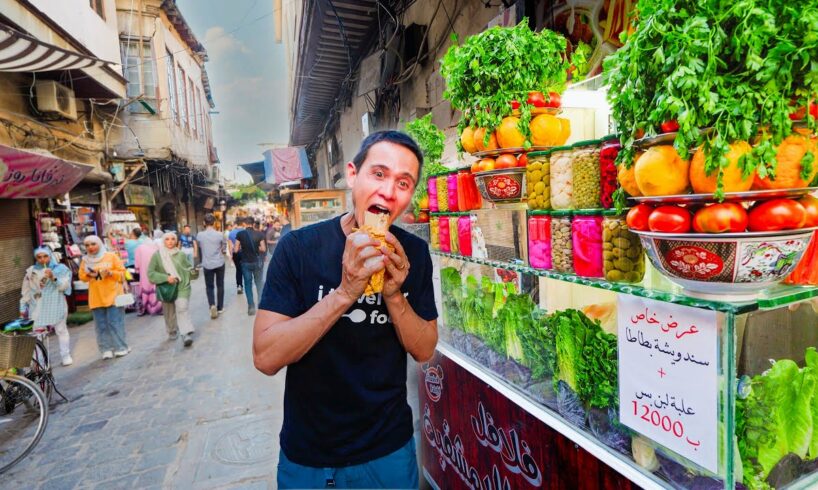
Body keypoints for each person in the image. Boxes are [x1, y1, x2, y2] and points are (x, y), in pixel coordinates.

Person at [252, 131, 438, 489]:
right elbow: (266, 357)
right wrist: (346, 292)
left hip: (388, 453)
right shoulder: (298, 249)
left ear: (410, 197)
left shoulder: (413, 254)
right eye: (379, 174)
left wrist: (395, 295)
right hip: (310, 456)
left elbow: (425, 348)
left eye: (403, 182)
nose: (388, 191)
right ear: (353, 175)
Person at [79, 235, 130, 360]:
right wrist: (90, 274)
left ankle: (120, 347)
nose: (90, 247)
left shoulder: (111, 256)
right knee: (100, 325)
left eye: (93, 244)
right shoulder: (85, 260)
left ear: (100, 244)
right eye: (87, 245)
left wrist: (110, 273)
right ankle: (106, 349)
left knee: (115, 323)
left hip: (113, 295)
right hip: (96, 297)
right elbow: (82, 277)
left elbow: (123, 274)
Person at [20, 247, 73, 366]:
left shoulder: (61, 269)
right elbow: (26, 291)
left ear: (50, 256)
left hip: (56, 303)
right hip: (37, 306)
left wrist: (53, 277)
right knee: (38, 335)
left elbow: (63, 287)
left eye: (45, 256)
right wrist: (23, 308)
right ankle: (40, 362)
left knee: (61, 330)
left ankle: (65, 355)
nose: (42, 259)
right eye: (39, 257)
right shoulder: (30, 271)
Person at [148, 232, 195, 347]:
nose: (170, 241)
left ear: (176, 241)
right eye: (167, 239)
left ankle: (185, 334)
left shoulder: (181, 254)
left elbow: (188, 268)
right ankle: (172, 330)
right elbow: (150, 273)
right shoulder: (157, 256)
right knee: (169, 313)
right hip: (167, 288)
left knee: (182, 308)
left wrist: (192, 272)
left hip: (182, 286)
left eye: (173, 239)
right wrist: (165, 278)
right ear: (163, 241)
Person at [197, 213, 227, 318]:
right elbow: (223, 248)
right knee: (220, 285)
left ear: (204, 223)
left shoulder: (200, 235)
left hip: (207, 264)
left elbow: (200, 247)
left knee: (209, 286)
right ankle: (220, 307)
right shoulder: (220, 234)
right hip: (219, 263)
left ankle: (212, 305)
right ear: (214, 223)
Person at [235, 217, 266, 315]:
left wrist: (243, 249)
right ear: (253, 224)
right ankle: (261, 306)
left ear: (244, 223)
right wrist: (257, 248)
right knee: (259, 283)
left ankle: (251, 307)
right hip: (257, 262)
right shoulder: (259, 234)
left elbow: (236, 249)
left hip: (245, 263)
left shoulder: (240, 234)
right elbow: (263, 249)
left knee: (248, 285)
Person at [134, 238, 162, 316]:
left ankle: (144, 308)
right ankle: (157, 308)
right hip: (155, 270)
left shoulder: (139, 248)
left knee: (145, 287)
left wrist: (137, 270)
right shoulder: (157, 246)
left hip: (144, 271)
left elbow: (137, 261)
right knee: (155, 287)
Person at [228, 220, 245, 295]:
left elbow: (230, 246)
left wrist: (231, 255)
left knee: (238, 270)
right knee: (246, 269)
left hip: (236, 253)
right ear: (243, 224)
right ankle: (247, 285)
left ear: (236, 224)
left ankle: (239, 286)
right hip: (245, 253)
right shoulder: (245, 232)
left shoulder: (231, 233)